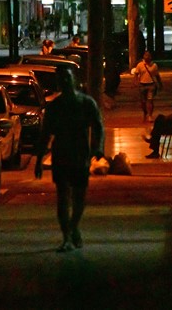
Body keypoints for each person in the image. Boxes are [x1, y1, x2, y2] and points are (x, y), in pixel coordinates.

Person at [35, 68, 104, 252]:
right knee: (62, 197)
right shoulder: (54, 106)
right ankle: (66, 236)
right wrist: (38, 160)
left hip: (80, 155)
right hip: (61, 155)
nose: (64, 81)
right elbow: (45, 134)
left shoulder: (86, 103)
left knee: (79, 197)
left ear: (74, 80)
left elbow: (98, 126)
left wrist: (98, 148)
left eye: (67, 77)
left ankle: (74, 227)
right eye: (61, 79)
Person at [134, 51, 162, 122]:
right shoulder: (140, 65)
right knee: (143, 102)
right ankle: (145, 112)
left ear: (151, 57)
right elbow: (136, 74)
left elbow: (157, 75)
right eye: (145, 55)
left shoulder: (154, 65)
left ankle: (150, 115)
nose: (147, 57)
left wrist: (160, 83)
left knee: (150, 100)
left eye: (148, 55)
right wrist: (135, 82)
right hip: (142, 85)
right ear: (143, 56)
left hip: (151, 85)